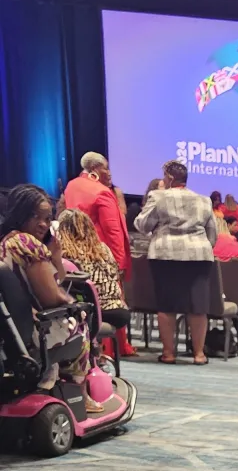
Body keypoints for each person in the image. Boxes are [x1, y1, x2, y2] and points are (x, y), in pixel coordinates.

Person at [0, 185, 102, 405]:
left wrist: (55, 256)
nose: (43, 224)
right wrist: (72, 303)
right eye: (35, 216)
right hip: (35, 334)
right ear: (19, 213)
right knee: (81, 320)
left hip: (12, 334)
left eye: (47, 218)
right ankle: (81, 394)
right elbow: (52, 298)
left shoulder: (6, 242)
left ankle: (53, 379)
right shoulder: (26, 244)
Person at [133, 161, 219, 365]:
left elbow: (141, 224)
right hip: (199, 255)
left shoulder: (158, 196)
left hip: (165, 254)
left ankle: (169, 353)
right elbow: (213, 233)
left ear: (169, 178)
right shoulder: (204, 200)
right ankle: (199, 355)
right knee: (198, 306)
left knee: (167, 305)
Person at [54, 208, 136, 358]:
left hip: (93, 311)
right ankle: (94, 354)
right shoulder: (103, 249)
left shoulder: (64, 253)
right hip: (119, 311)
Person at [62, 152, 131, 277]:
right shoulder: (102, 192)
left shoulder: (71, 186)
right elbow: (113, 230)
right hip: (101, 256)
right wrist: (120, 263)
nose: (109, 173)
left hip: (76, 253)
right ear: (95, 169)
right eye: (106, 168)